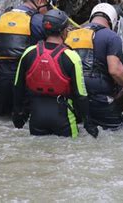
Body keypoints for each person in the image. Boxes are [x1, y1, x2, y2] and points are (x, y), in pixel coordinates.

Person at [12, 9, 98, 138]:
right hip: (62, 115)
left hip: (36, 116)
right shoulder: (71, 56)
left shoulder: (28, 52)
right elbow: (81, 94)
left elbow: (17, 86)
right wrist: (88, 122)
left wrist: (18, 113)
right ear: (64, 31)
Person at [65, 3, 123, 130]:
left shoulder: (71, 35)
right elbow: (115, 71)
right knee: (122, 130)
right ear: (113, 21)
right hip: (98, 97)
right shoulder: (112, 37)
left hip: (73, 96)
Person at [0, 0, 57, 117]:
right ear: (41, 0)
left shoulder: (0, 18)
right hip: (26, 86)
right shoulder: (40, 22)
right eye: (48, 6)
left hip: (0, 84)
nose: (48, 11)